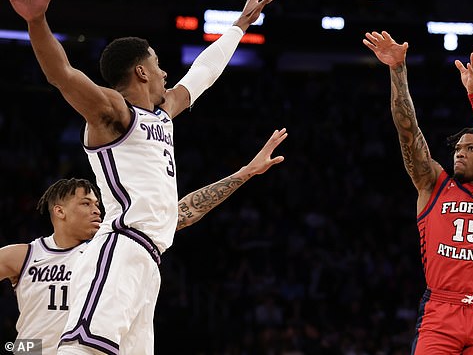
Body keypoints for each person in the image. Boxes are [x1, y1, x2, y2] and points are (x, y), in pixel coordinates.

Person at [1, 0, 277, 354]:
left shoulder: (162, 115)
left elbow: (201, 75)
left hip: (149, 259)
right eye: (159, 65)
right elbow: (61, 74)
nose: (167, 74)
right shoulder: (114, 113)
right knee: (84, 350)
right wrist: (35, 21)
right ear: (142, 73)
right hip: (120, 247)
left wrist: (240, 25)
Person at [0, 128, 287, 355]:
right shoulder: (23, 256)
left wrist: (245, 173)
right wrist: (15, 348)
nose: (97, 209)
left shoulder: (113, 244)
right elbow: (22, 344)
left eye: (98, 203)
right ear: (59, 211)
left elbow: (183, 211)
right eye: (86, 203)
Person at [363, 31, 473, 355]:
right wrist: (397, 70)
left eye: (470, 148)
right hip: (440, 311)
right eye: (457, 149)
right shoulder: (434, 185)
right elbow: (408, 132)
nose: (459, 153)